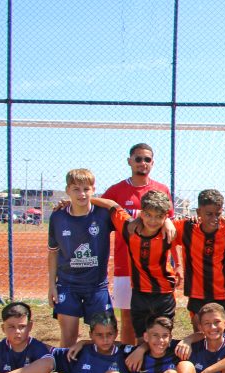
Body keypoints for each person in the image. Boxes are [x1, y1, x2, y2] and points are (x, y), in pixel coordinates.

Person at [102, 143, 174, 345]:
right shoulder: (117, 190)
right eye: (138, 159)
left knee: (157, 320)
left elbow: (169, 219)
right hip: (126, 265)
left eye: (147, 159)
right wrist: (71, 202)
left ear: (152, 163)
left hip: (153, 270)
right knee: (128, 317)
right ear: (129, 161)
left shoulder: (161, 189)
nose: (143, 163)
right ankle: (128, 355)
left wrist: (167, 219)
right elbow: (100, 204)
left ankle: (154, 359)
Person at [90, 192, 178, 338]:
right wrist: (81, 200)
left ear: (165, 216)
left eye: (159, 217)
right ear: (141, 213)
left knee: (162, 339)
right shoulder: (129, 228)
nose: (153, 221)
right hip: (139, 292)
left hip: (164, 294)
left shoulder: (169, 231)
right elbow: (112, 205)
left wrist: (168, 221)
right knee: (141, 338)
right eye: (148, 215)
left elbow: (193, 226)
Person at [48, 168, 114, 347]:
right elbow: (53, 252)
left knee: (104, 338)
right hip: (68, 285)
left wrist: (98, 201)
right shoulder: (58, 216)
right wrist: (51, 285)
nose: (82, 194)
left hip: (97, 286)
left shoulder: (103, 214)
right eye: (76, 189)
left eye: (86, 189)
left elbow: (117, 207)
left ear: (93, 190)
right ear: (67, 190)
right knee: (69, 337)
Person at [173, 189, 225, 331]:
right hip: (197, 291)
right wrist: (178, 264)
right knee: (200, 334)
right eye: (209, 214)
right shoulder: (187, 228)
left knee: (221, 334)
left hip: (222, 291)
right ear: (198, 212)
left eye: (218, 214)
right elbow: (164, 227)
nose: (214, 218)